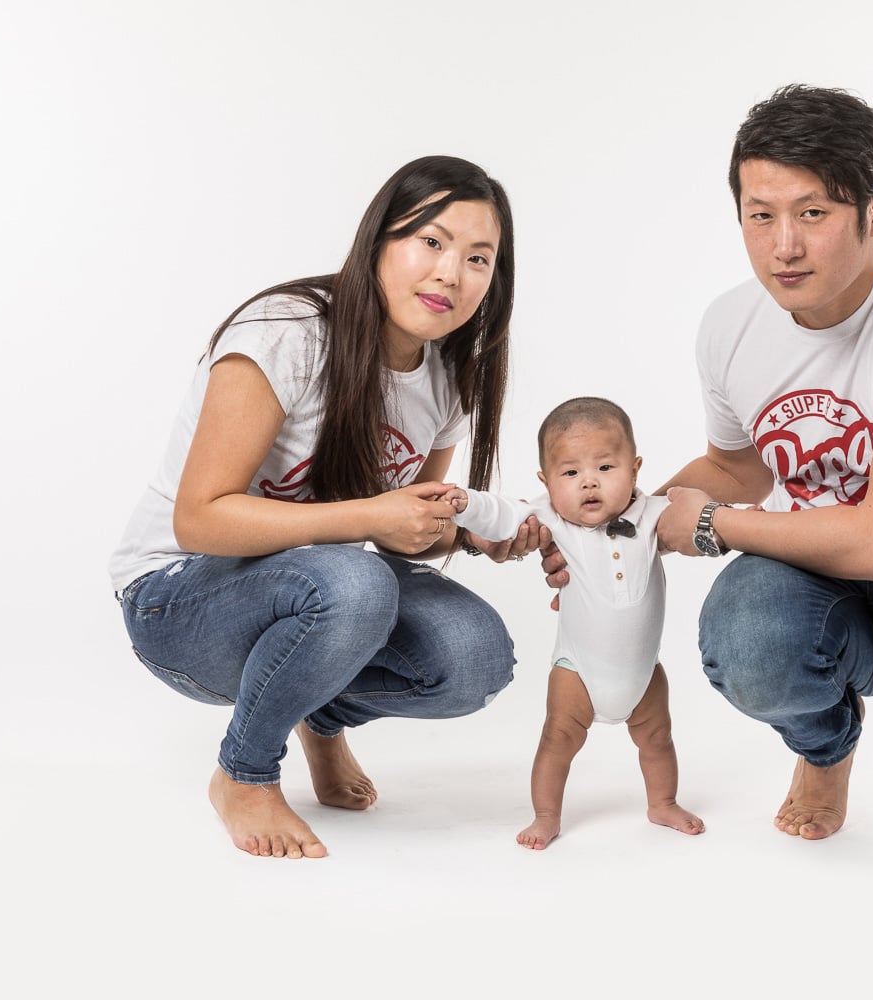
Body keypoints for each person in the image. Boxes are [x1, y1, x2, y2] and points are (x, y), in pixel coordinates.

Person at [549, 85, 873, 934]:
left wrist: (704, 527)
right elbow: (737, 466)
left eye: (814, 212)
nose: (783, 246)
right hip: (826, 589)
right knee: (745, 629)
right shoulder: (732, 326)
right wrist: (615, 527)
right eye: (760, 214)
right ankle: (827, 748)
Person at [108, 155, 548, 860]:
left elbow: (403, 530)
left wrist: (467, 535)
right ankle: (244, 773)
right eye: (430, 241)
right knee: (354, 581)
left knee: (474, 657)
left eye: (478, 258)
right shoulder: (284, 333)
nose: (449, 273)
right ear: (379, 240)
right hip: (177, 597)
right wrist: (372, 518)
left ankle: (319, 714)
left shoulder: (444, 378)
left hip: (313, 591)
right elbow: (200, 518)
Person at [443, 397, 704, 849]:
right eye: (570, 473)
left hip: (643, 673)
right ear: (546, 481)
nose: (588, 482)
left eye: (606, 467)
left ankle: (663, 802)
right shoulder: (549, 519)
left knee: (658, 737)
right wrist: (465, 504)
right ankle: (546, 815)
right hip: (578, 671)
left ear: (635, 469)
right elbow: (502, 514)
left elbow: (697, 516)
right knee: (557, 739)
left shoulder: (653, 514)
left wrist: (729, 516)